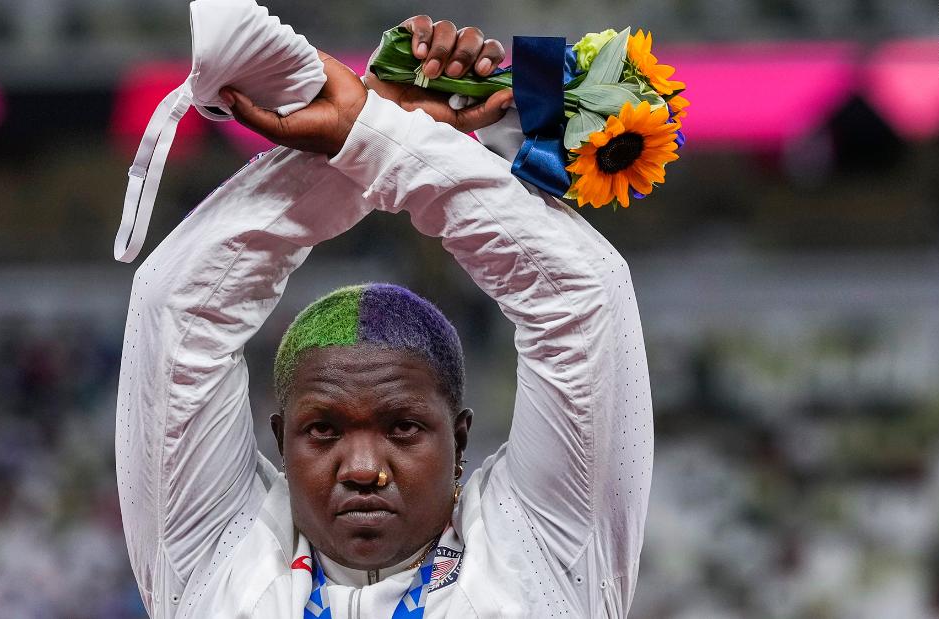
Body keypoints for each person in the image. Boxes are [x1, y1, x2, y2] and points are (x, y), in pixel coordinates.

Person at [115, 16, 654, 618]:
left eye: (403, 429)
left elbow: (582, 297)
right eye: (322, 430)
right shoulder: (215, 551)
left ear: (460, 439)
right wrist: (377, 132)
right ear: (280, 441)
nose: (364, 470)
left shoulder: (545, 546)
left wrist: (372, 136)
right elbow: (179, 306)